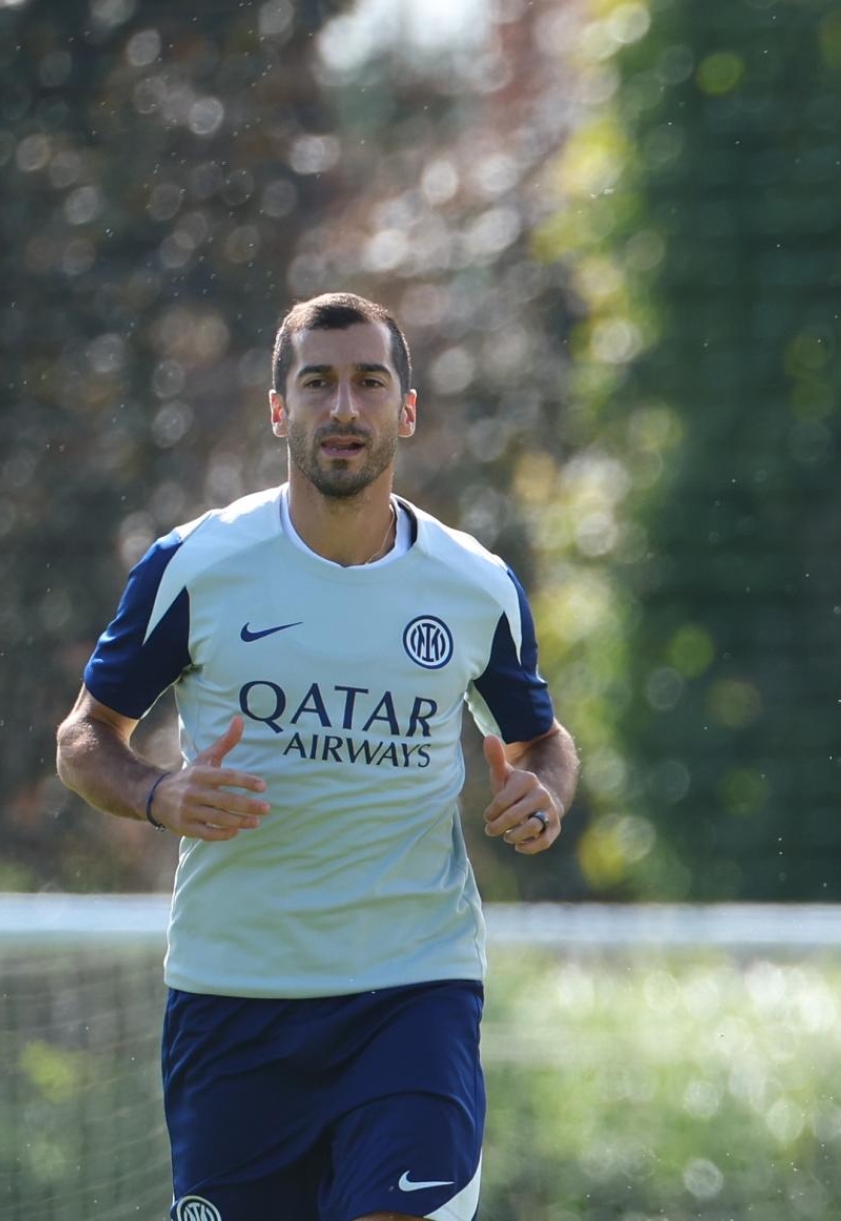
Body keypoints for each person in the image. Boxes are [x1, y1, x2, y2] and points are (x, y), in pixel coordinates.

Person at [55, 292, 578, 1221]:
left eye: (369, 383)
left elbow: (542, 739)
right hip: (234, 996)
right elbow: (85, 738)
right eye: (318, 384)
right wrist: (158, 792)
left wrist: (543, 792)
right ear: (278, 408)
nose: (344, 408)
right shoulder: (197, 565)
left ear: (406, 410)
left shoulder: (473, 585)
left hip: (412, 990)